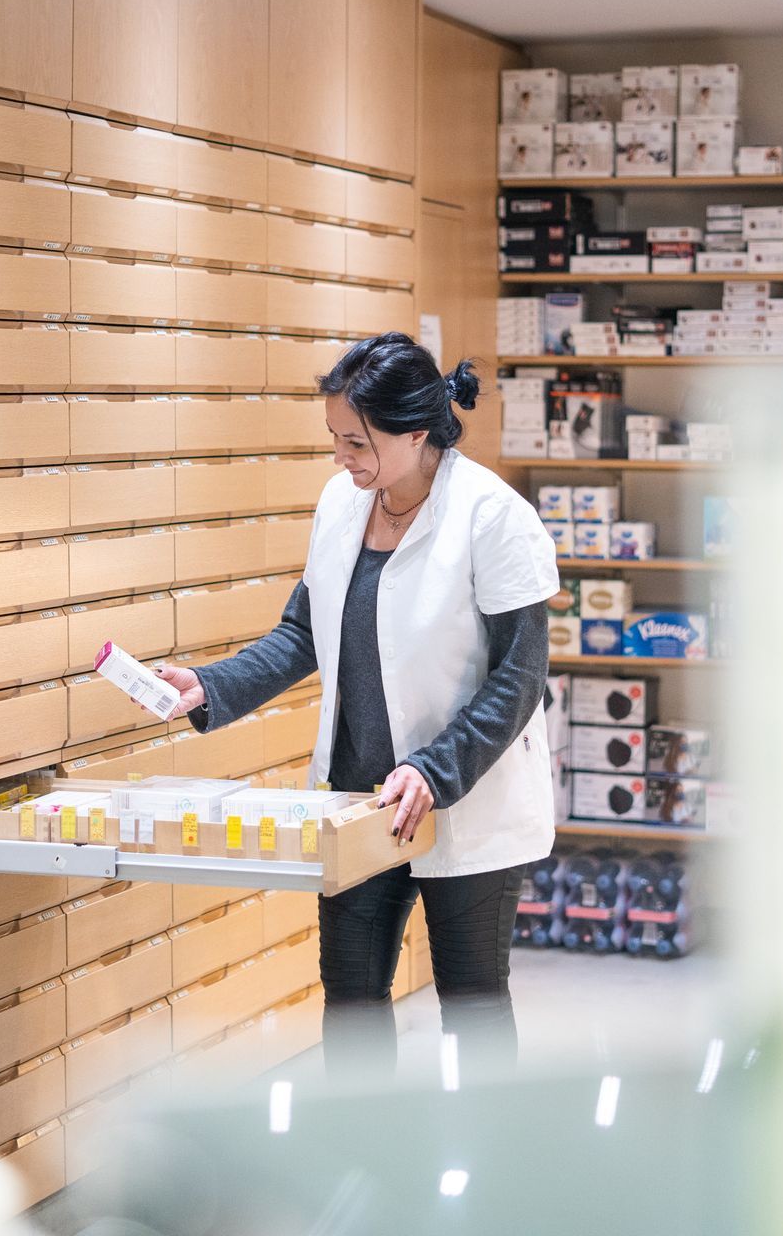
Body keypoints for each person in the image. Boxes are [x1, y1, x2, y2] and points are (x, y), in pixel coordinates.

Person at [154, 331, 559, 1080]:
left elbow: (520, 677)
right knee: (351, 998)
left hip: (461, 799)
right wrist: (213, 685)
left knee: (470, 1001)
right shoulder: (344, 504)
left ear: (415, 431)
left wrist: (435, 770)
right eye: (336, 439)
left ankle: (494, 1167)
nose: (342, 458)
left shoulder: (493, 518)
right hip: (358, 801)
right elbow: (305, 631)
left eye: (356, 441)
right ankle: (368, 1164)